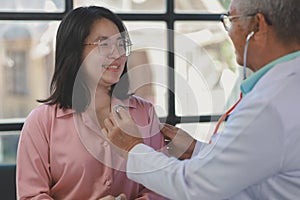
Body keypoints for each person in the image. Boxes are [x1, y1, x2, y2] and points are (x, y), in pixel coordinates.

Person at [102, 0, 300, 199]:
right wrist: (197, 150)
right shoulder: (285, 90)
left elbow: (194, 186)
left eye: (232, 20)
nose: (229, 32)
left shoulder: (267, 106)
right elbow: (257, 159)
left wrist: (131, 148)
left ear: (257, 25)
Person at [16, 6, 167, 200]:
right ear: (75, 51)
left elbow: (161, 187)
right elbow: (31, 196)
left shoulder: (143, 112)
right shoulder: (41, 122)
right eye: (103, 44)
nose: (117, 54)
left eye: (121, 44)